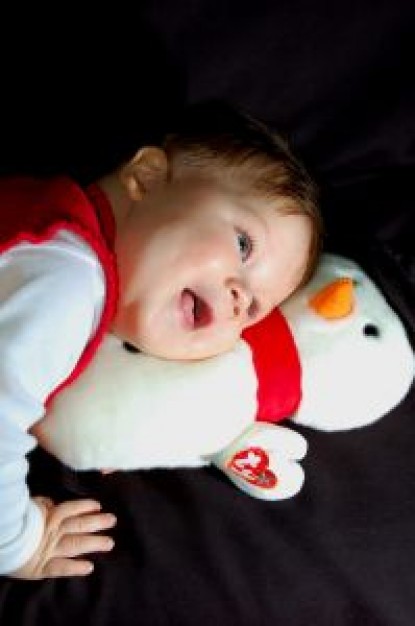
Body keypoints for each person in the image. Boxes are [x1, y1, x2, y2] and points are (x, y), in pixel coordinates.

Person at [0, 100, 322, 580]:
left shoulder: (49, 226)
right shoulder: (65, 281)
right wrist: (18, 543)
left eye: (253, 308)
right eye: (243, 246)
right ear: (147, 176)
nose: (239, 297)